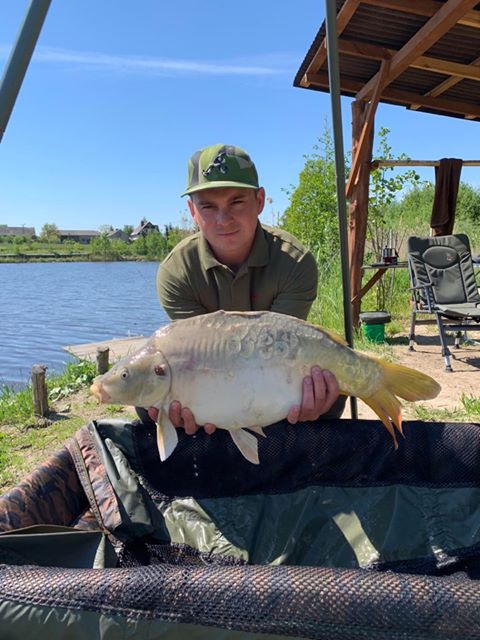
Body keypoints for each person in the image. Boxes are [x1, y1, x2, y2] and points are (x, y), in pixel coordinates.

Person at [146, 143, 345, 433]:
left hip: (274, 369)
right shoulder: (176, 272)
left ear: (260, 201)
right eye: (208, 206)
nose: (223, 219)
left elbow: (282, 350)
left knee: (328, 394)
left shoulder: (294, 262)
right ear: (192, 211)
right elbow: (195, 358)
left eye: (236, 202)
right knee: (151, 404)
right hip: (211, 375)